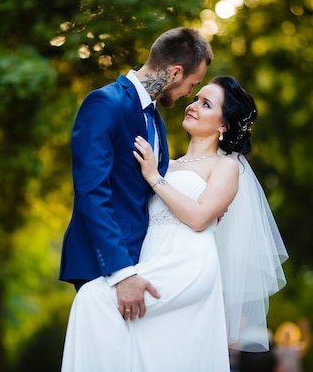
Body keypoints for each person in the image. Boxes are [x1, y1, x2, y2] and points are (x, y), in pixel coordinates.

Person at [61, 76, 288, 372]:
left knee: (94, 299)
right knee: (148, 350)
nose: (192, 106)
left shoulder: (226, 167)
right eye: (196, 99)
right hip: (152, 258)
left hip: (187, 264)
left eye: (205, 104)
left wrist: (155, 178)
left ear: (223, 126)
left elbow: (198, 217)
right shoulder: (168, 162)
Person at [58, 27, 214, 318]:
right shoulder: (105, 103)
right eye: (192, 85)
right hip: (106, 266)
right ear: (175, 73)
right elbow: (92, 192)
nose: (189, 94)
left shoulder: (155, 119)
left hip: (146, 263)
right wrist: (121, 272)